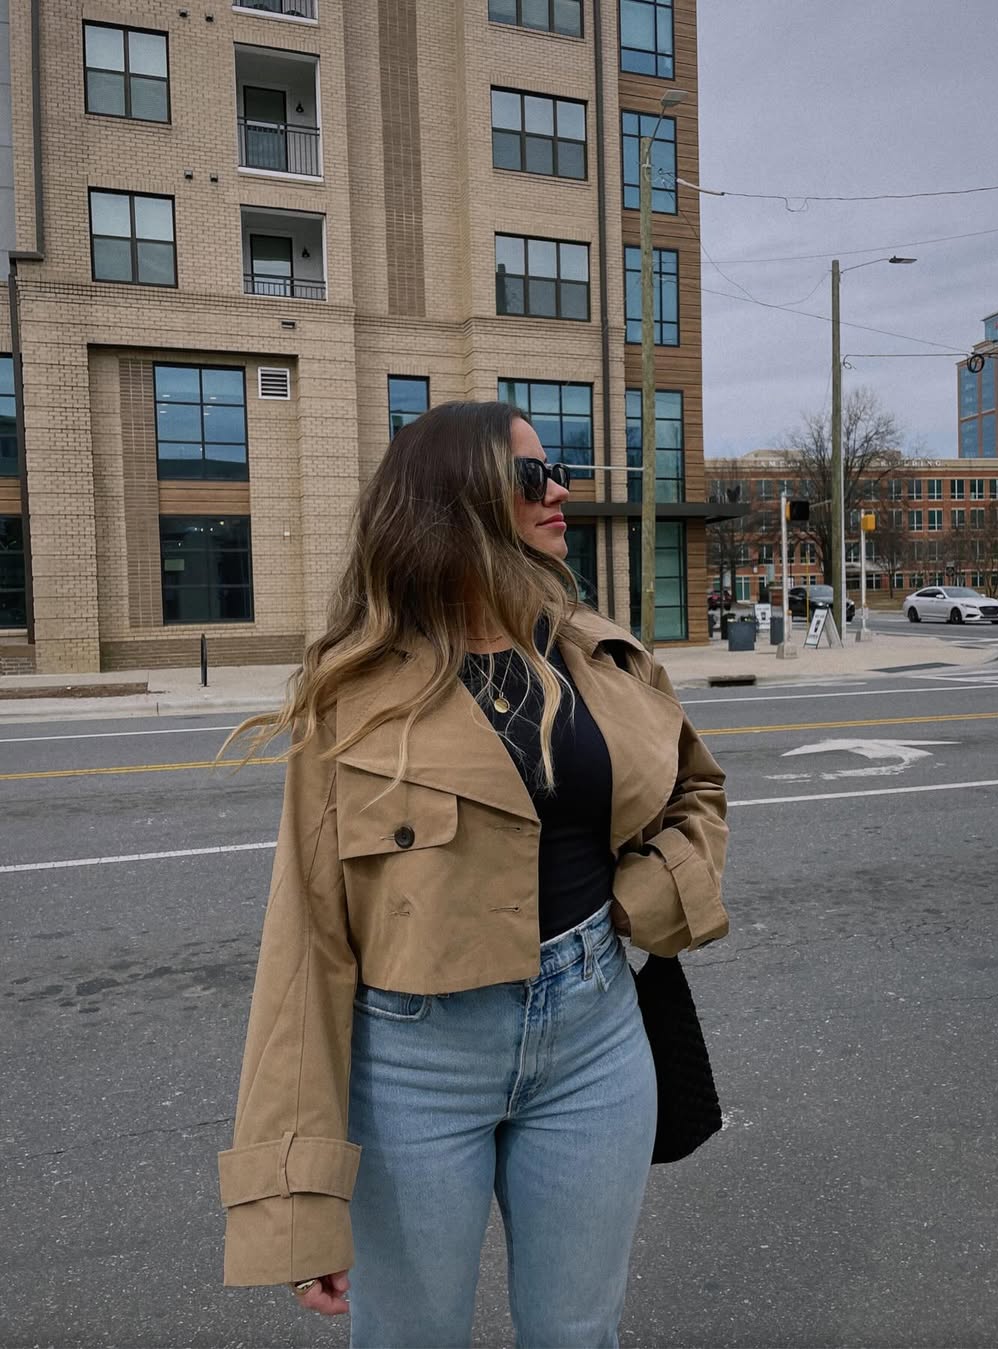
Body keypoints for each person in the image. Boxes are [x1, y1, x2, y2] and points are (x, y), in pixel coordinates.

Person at [217, 400, 730, 1348]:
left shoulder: (598, 651)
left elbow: (694, 790)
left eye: (556, 468)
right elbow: (307, 946)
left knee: (579, 1332)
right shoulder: (355, 695)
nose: (560, 489)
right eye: (533, 475)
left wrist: (646, 897)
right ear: (455, 502)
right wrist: (300, 1197)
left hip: (595, 1033)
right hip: (414, 1064)